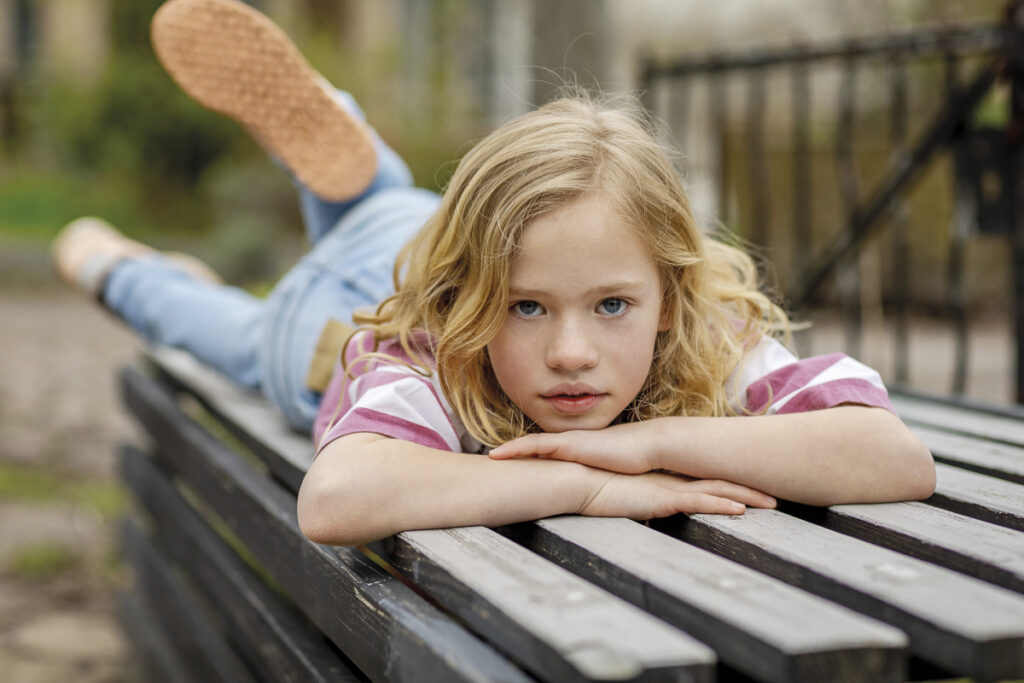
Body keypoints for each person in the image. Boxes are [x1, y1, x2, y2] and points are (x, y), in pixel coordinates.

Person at [52, 0, 935, 547]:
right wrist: (586, 482)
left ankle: (356, 167)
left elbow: (892, 455)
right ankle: (110, 259)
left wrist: (645, 442)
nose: (573, 352)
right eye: (526, 309)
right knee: (216, 324)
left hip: (425, 234)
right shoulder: (426, 347)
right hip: (322, 330)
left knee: (378, 209)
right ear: (475, 298)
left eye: (614, 304)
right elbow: (339, 498)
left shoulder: (702, 327)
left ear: (669, 293)